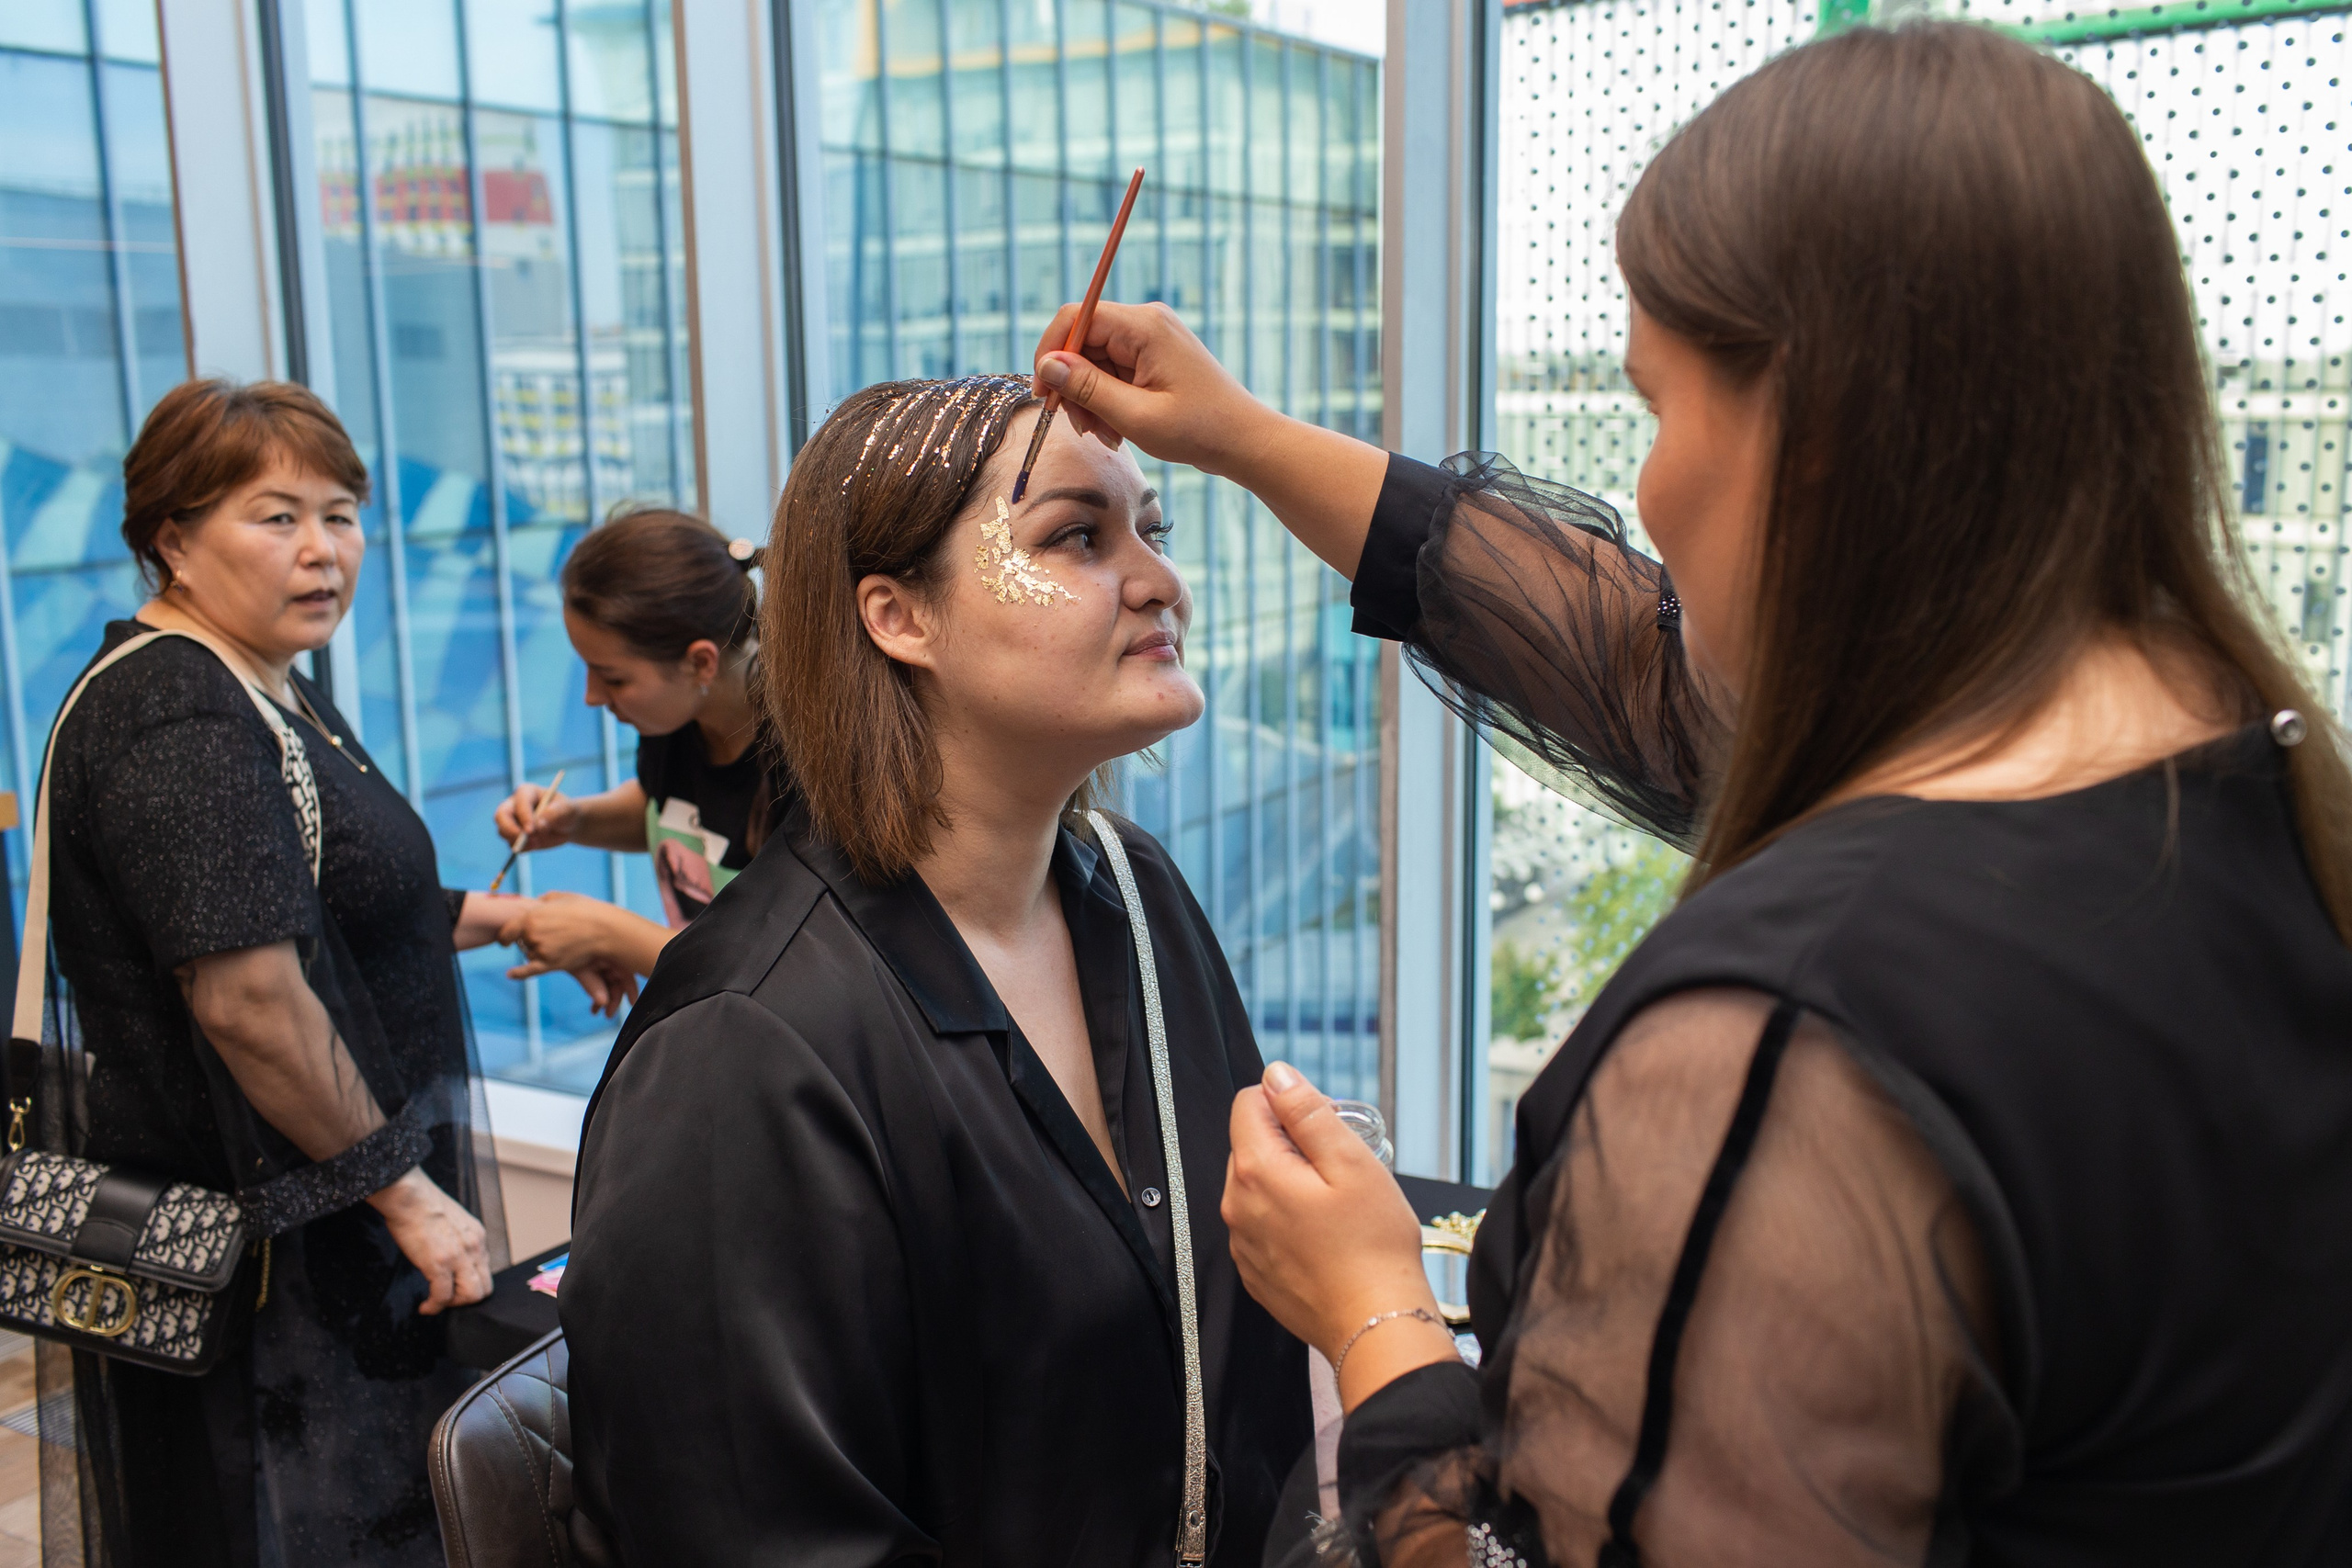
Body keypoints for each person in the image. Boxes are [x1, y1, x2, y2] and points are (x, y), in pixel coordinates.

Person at [1034, 23, 2352, 1564]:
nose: (1646, 497)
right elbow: (1651, 667)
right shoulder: (2253, 792)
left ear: (1815, 438)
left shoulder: (1792, 1047)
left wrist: (1375, 1317)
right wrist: (1250, 441)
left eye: (1659, 411)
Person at [561, 374, 1311, 1564]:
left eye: (1151, 530)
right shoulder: (742, 1051)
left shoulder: (1136, 891)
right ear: (897, 615)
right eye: (1076, 533)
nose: (1163, 580)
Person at [38, 379, 626, 1566]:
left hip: (317, 1231)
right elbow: (249, 994)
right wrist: (405, 1191)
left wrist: (517, 916)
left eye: (343, 512)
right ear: (172, 536)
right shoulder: (179, 710)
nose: (323, 550)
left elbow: (330, 904)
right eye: (276, 516)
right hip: (274, 1263)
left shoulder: (259, 678)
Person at [490, 508, 785, 984]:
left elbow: (771, 971)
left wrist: (606, 933)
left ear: (700, 663)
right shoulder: (675, 722)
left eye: (613, 678)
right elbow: (673, 810)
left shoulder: (805, 768)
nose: (591, 697)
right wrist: (576, 820)